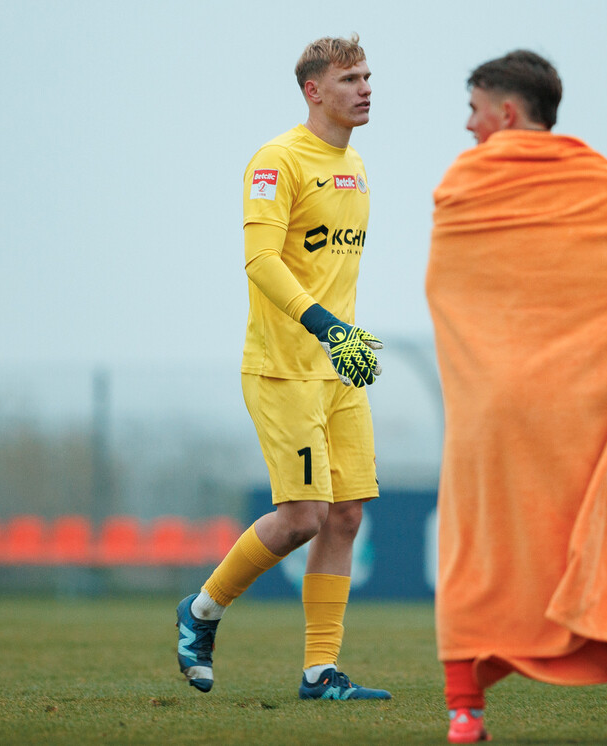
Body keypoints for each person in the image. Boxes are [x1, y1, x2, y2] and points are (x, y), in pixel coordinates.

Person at [425, 50, 607, 743]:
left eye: (475, 111)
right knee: (606, 532)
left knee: (477, 544)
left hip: (497, 407)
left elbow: (452, 286)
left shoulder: (469, 179)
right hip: (585, 410)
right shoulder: (599, 178)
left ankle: (464, 714)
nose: (468, 127)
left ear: (507, 114)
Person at [176, 34, 390, 702]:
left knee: (347, 516)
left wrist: (346, 337)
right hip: (283, 368)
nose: (365, 88)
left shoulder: (354, 167)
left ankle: (319, 672)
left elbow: (330, 270)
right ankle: (200, 611)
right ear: (313, 90)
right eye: (351, 78)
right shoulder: (276, 161)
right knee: (304, 517)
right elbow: (262, 262)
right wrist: (326, 327)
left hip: (337, 370)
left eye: (368, 76)